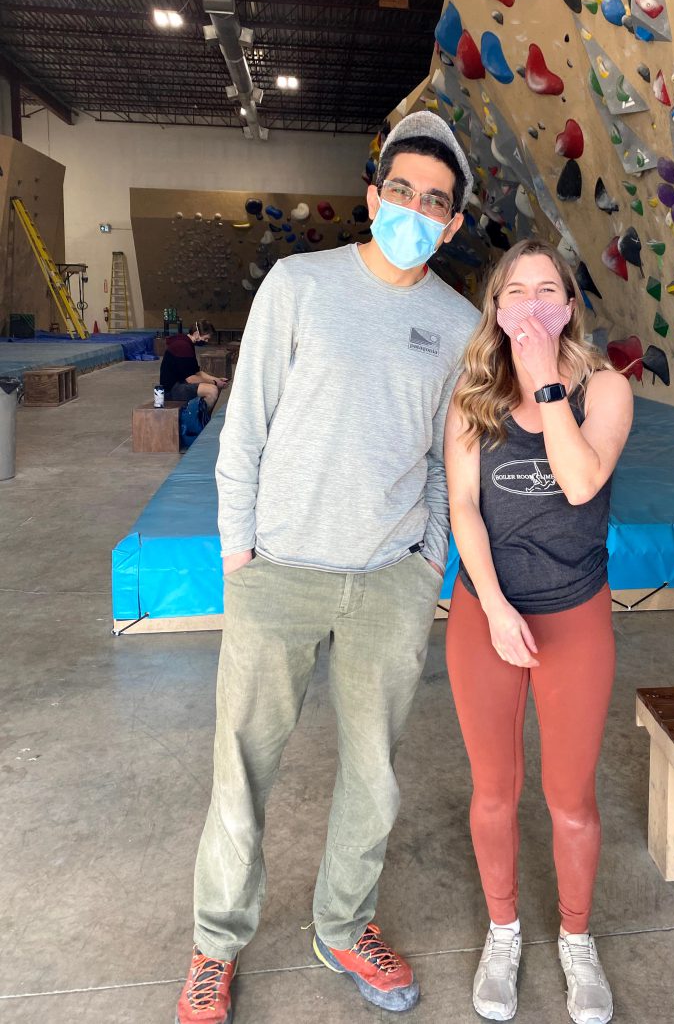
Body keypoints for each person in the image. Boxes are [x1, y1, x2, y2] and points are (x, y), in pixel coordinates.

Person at [174, 112, 481, 1024]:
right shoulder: (299, 284)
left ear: (454, 223)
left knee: (374, 773)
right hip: (280, 571)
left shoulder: (458, 323)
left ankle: (343, 927)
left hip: (389, 579)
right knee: (242, 765)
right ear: (372, 195)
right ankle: (214, 945)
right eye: (402, 192)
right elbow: (247, 427)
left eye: (435, 202)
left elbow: (440, 459)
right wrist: (240, 551)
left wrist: (428, 562)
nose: (415, 211)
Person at [444, 239, 633, 1024]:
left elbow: (582, 481)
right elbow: (462, 506)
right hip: (487, 610)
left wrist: (547, 378)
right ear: (495, 306)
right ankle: (503, 930)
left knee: (570, 798)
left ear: (567, 305)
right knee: (494, 791)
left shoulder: (604, 391)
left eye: (545, 290)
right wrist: (490, 604)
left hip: (575, 611)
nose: (528, 304)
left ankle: (577, 940)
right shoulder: (471, 395)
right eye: (513, 291)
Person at [159, 321, 227, 410]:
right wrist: (214, 383)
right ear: (196, 334)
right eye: (205, 338)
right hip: (171, 389)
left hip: (180, 383)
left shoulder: (187, 343)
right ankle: (197, 421)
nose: (206, 341)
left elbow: (197, 372)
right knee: (212, 390)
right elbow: (191, 379)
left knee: (214, 387)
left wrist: (216, 379)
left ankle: (200, 417)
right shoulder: (182, 346)